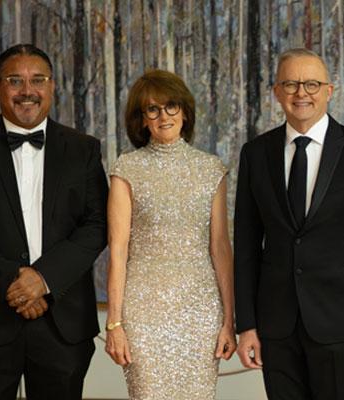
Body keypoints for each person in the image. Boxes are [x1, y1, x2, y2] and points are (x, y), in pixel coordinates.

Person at [0, 44, 108, 399]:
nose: (27, 90)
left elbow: (97, 224)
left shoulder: (83, 148)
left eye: (37, 80)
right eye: (15, 80)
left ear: (52, 85)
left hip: (63, 322)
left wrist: (43, 279)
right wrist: (14, 281)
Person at [232, 48, 344, 399]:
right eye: (290, 84)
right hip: (276, 327)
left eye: (311, 84)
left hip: (343, 327)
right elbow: (246, 246)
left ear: (329, 91)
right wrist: (246, 325)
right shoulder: (256, 153)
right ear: (277, 92)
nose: (301, 93)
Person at [102, 69, 236, 399]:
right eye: (153, 109)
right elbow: (117, 250)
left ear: (185, 111)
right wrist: (114, 324)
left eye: (171, 106)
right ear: (142, 119)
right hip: (143, 312)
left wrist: (229, 321)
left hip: (201, 310)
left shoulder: (211, 169)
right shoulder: (127, 168)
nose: (164, 115)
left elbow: (220, 247)